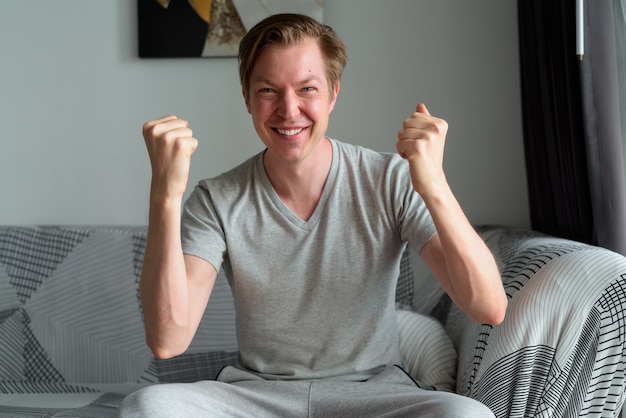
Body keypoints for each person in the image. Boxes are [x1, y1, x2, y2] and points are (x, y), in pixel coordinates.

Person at [118, 13, 507, 417]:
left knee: (467, 415)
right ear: (248, 98)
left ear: (333, 94)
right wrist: (165, 192)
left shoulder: (390, 180)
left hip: (373, 395)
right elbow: (167, 340)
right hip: (256, 398)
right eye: (269, 90)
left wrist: (434, 185)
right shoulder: (217, 199)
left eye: (307, 89)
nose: (289, 110)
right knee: (149, 406)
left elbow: (489, 307)